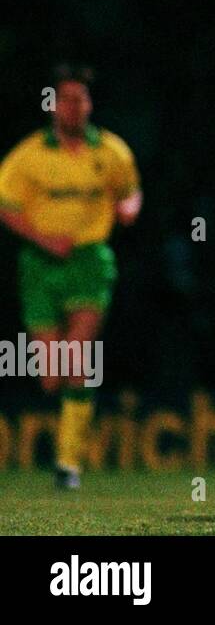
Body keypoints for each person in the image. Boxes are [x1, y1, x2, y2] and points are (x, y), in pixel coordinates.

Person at [0, 63, 142, 489]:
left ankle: (68, 465)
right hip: (40, 267)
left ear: (89, 104)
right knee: (51, 376)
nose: (73, 107)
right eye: (65, 99)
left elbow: (130, 190)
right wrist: (42, 238)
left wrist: (130, 208)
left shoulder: (111, 151)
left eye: (80, 98)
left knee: (77, 358)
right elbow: (6, 206)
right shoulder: (28, 155)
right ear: (51, 105)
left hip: (89, 262)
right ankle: (66, 442)